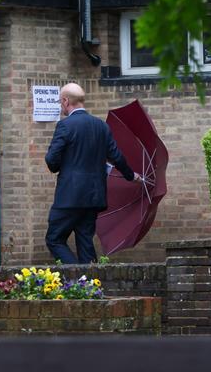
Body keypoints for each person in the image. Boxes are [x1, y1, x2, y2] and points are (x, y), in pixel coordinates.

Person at [44, 82, 140, 264]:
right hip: (93, 197)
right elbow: (116, 156)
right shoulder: (101, 126)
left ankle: (77, 280)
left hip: (69, 197)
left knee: (54, 239)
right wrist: (130, 175)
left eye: (60, 102)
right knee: (85, 241)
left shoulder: (65, 126)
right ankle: (91, 286)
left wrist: (59, 166)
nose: (60, 106)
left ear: (65, 101)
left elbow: (51, 160)